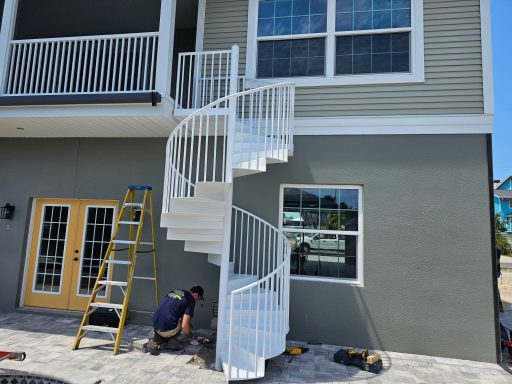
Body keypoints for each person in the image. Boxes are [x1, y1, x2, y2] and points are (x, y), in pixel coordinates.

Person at [147, 286, 204, 355]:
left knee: (172, 319)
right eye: (199, 298)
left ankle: (155, 339)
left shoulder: (176, 291)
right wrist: (191, 336)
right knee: (187, 326)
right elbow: (184, 326)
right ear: (197, 294)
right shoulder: (190, 300)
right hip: (167, 329)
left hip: (155, 324)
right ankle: (172, 340)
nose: (197, 300)